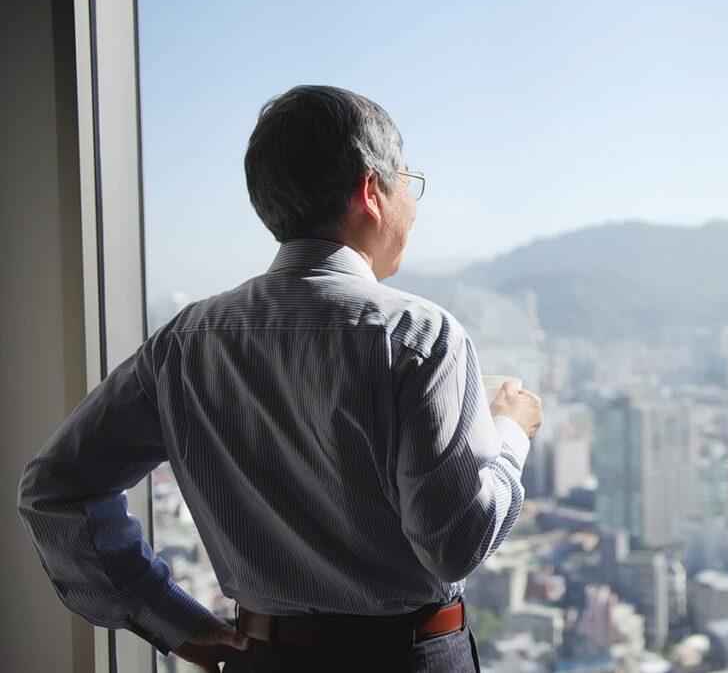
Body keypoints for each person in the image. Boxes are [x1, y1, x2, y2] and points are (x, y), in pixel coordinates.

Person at [18, 85, 543, 672]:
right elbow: (454, 544)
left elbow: (57, 487)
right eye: (407, 182)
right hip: (407, 658)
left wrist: (170, 620)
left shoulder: (186, 342)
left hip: (261, 659)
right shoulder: (419, 335)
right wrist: (510, 431)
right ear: (372, 192)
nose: (412, 206)